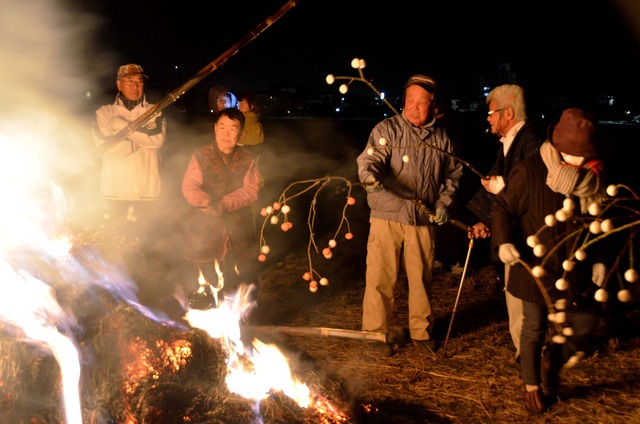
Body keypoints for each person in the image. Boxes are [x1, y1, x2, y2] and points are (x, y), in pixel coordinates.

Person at [491, 108, 607, 413]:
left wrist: (597, 258)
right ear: (557, 148)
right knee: (535, 327)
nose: (581, 164)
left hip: (574, 267)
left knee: (584, 323)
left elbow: (595, 219)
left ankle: (551, 360)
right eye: (573, 156)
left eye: (585, 157)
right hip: (536, 266)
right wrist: (503, 242)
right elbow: (502, 207)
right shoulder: (530, 171)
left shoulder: (591, 178)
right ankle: (532, 386)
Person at [356, 74, 463, 356]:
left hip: (422, 219)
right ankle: (375, 334)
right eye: (410, 100)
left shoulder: (442, 138)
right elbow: (370, 160)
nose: (414, 107)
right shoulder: (388, 129)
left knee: (421, 279)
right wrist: (369, 178)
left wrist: (443, 204)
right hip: (387, 216)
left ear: (433, 105)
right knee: (380, 278)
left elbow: (453, 175)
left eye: (422, 102)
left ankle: (422, 332)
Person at [466, 84, 546, 363]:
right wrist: (484, 219)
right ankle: (526, 352)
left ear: (508, 113)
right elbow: (497, 180)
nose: (488, 118)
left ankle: (531, 357)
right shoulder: (512, 140)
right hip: (514, 231)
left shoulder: (532, 140)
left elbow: (534, 186)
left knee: (524, 298)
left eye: (491, 112)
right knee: (515, 297)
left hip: (527, 234)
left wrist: (503, 188)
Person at [181, 107, 261, 308]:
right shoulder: (201, 155)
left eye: (233, 129)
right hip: (205, 225)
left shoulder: (247, 157)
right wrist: (206, 202)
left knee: (240, 273)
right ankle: (206, 316)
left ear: (240, 133)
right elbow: (190, 185)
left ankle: (240, 315)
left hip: (238, 226)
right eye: (222, 127)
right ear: (215, 129)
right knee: (206, 274)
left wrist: (224, 203)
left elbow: (251, 190)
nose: (226, 134)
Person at [92, 64, 166, 234]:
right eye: (129, 81)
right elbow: (104, 148)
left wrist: (120, 127)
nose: (135, 86)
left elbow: (156, 140)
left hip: (147, 193)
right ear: (119, 84)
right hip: (114, 193)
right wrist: (137, 142)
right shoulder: (104, 113)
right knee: (113, 244)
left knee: (147, 245)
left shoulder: (155, 111)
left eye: (139, 81)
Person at [236, 91, 265, 160]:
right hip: (255, 148)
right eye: (238, 105)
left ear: (251, 106)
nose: (239, 108)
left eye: (242, 105)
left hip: (246, 147)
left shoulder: (246, 117)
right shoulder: (255, 117)